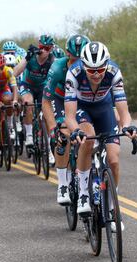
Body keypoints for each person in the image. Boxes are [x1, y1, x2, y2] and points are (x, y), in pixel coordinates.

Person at [64, 42, 137, 221]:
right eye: (91, 71)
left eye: (100, 69)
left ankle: (113, 208)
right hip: (82, 109)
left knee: (113, 159)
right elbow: (69, 116)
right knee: (88, 140)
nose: (96, 74)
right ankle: (83, 194)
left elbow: (123, 110)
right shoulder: (73, 74)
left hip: (104, 109)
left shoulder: (114, 72)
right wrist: (75, 131)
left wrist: (127, 126)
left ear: (107, 64)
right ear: (83, 66)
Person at [42, 34, 90, 204]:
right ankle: (62, 183)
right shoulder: (57, 67)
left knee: (88, 134)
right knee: (64, 135)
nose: (77, 62)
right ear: (67, 55)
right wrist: (53, 127)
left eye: (81, 59)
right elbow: (46, 101)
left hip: (80, 102)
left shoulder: (90, 67)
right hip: (59, 101)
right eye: (74, 58)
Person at [14, 34, 56, 164]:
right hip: (28, 85)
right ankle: (29, 136)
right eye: (42, 47)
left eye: (47, 48)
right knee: (28, 103)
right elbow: (15, 72)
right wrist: (27, 58)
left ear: (51, 49)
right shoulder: (31, 57)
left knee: (47, 115)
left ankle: (49, 149)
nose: (44, 51)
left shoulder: (52, 60)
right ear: (39, 46)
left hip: (42, 87)